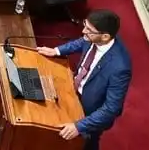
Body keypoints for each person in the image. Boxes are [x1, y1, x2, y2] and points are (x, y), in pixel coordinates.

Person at [36, 10, 132, 148]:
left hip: (90, 113)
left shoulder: (120, 68)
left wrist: (79, 126)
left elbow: (111, 108)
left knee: (86, 144)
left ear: (105, 37)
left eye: (89, 30)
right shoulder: (93, 37)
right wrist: (57, 51)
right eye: (85, 25)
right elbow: (81, 42)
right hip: (74, 92)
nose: (83, 31)